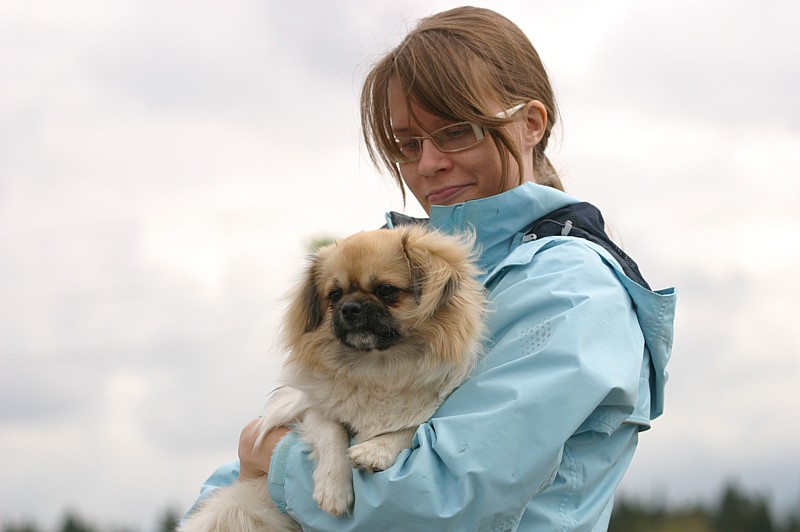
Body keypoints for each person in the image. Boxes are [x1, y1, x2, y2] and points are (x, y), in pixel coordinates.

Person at [183, 6, 676, 530]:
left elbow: (447, 497)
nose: (428, 163)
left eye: (456, 132)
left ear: (530, 124)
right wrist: (254, 465)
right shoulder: (403, 260)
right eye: (407, 144)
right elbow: (251, 470)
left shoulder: (572, 291)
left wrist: (273, 458)